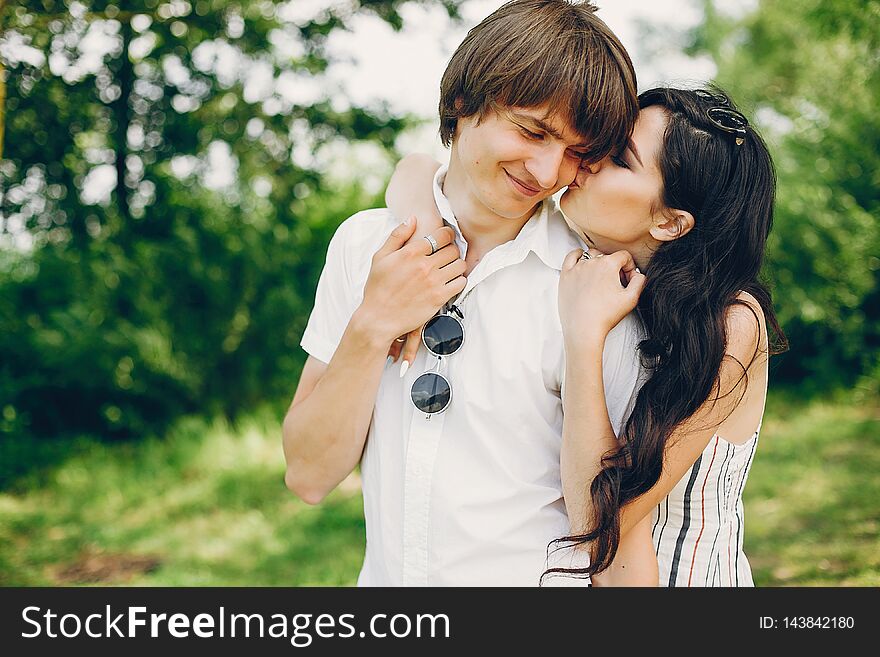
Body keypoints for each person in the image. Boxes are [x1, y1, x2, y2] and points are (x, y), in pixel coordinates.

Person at [281, 0, 642, 586]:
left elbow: (611, 523)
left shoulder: (590, 281)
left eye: (577, 153)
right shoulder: (365, 244)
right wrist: (374, 323)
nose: (548, 171)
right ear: (462, 102)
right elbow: (308, 475)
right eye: (532, 131)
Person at [385, 86, 787, 586]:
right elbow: (429, 169)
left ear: (669, 222)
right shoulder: (591, 267)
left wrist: (583, 337)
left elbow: (599, 522)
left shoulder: (729, 323)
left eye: (619, 158)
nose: (589, 161)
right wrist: (423, 220)